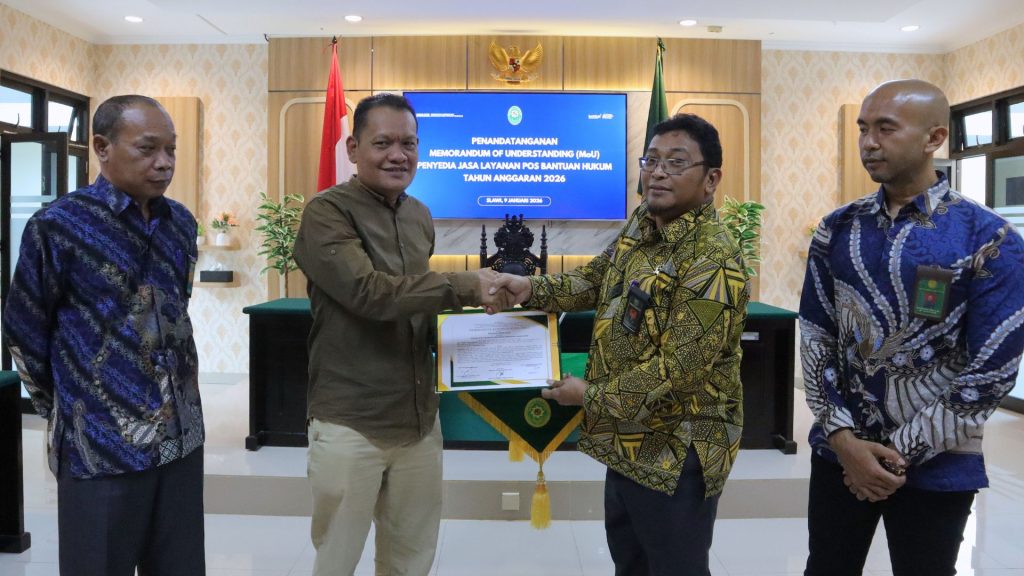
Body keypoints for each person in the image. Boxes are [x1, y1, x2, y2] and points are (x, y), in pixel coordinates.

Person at [491, 113, 750, 576]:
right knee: (631, 563)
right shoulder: (642, 223)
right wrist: (530, 288)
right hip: (627, 438)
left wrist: (587, 396)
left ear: (711, 179)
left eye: (676, 162)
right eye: (651, 160)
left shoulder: (713, 259)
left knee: (675, 568)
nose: (658, 173)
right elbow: (596, 279)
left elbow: (677, 371)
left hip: (679, 451)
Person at [799, 79, 1024, 576]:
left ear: (934, 138)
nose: (869, 142)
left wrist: (893, 457)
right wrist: (844, 441)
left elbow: (992, 370)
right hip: (840, 452)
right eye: (863, 129)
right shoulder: (837, 229)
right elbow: (816, 336)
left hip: (939, 462)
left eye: (885, 129)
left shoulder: (990, 239)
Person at [292, 92, 509, 576]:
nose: (398, 155)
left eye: (409, 143)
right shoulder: (326, 213)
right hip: (352, 418)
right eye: (383, 143)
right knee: (336, 559)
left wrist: (493, 341)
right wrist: (465, 287)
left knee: (411, 559)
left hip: (418, 422)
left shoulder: (420, 216)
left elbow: (417, 308)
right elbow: (369, 294)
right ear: (353, 149)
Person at [1, 95, 204, 575]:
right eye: (148, 149)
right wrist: (75, 407)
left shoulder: (180, 223)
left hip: (181, 439)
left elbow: (176, 310)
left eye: (171, 150)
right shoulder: (59, 226)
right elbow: (25, 328)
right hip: (101, 447)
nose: (164, 162)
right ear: (101, 147)